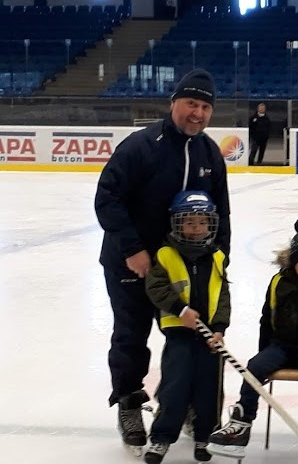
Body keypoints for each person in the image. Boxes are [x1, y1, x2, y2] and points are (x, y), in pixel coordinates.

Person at [94, 68, 231, 454]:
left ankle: (183, 403)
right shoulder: (141, 145)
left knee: (188, 339)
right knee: (130, 336)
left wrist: (221, 259)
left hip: (184, 268)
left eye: (205, 107)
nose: (198, 113)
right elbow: (107, 198)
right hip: (130, 263)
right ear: (174, 102)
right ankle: (129, 401)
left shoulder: (209, 153)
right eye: (191, 103)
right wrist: (132, 249)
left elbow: (222, 211)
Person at [207, 217, 298, 462]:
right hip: (282, 345)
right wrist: (264, 352)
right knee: (254, 367)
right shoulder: (278, 282)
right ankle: (241, 422)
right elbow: (267, 318)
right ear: (293, 262)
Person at [142, 191, 231, 464]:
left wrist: (219, 328)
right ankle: (161, 437)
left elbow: (223, 296)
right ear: (177, 224)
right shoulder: (166, 254)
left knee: (209, 388)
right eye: (189, 222)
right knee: (175, 386)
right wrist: (180, 310)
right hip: (179, 335)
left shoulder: (216, 256)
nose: (196, 228)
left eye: (202, 222)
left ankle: (206, 435)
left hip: (209, 338)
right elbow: (156, 287)